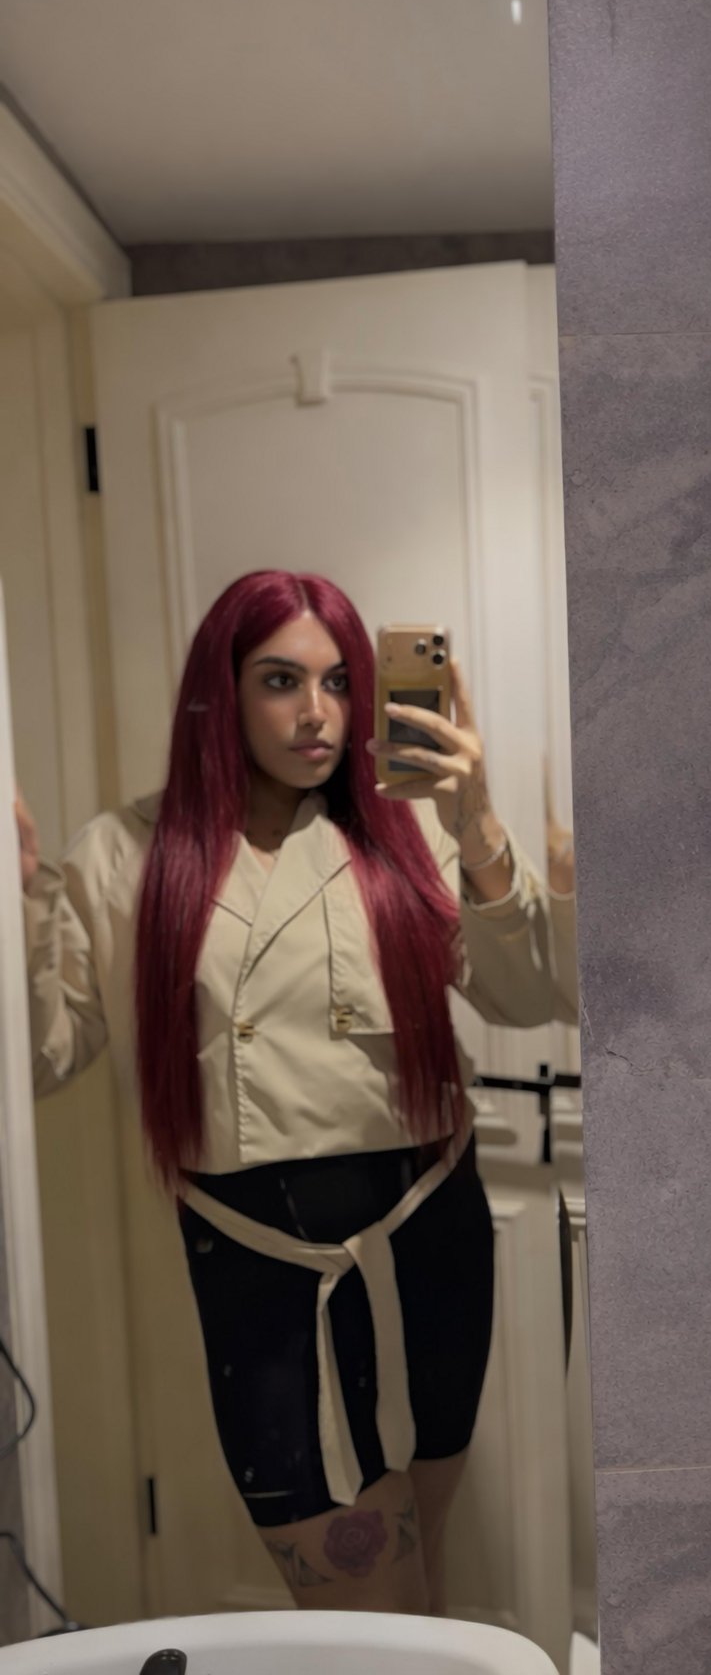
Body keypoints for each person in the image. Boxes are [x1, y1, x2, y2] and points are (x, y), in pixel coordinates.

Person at [16, 569, 577, 1618]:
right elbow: (41, 1058)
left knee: (422, 1584)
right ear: (219, 693)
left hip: (428, 1242)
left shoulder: (404, 838)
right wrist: (13, 911)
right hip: (257, 1270)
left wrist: (475, 824)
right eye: (280, 680)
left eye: (339, 682)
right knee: (359, 1607)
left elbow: (529, 995)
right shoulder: (124, 857)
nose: (316, 712)